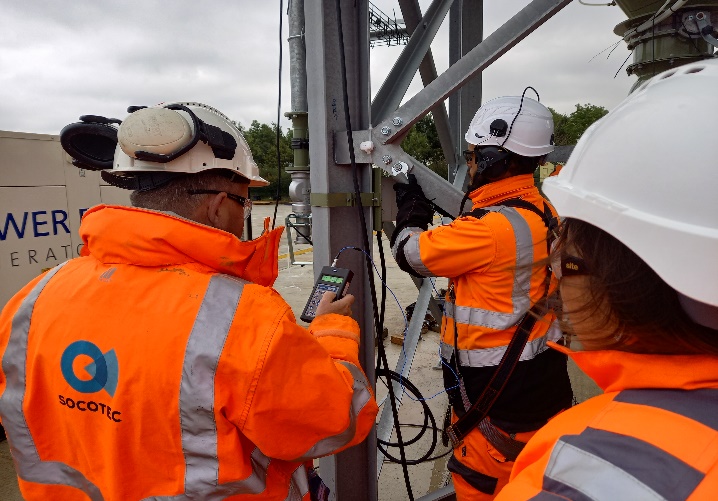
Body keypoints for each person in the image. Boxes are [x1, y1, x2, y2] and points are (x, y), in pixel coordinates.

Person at [0, 102, 378, 501]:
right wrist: (332, 331)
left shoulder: (35, 296)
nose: (243, 215)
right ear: (217, 205)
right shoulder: (243, 319)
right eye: (244, 203)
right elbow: (334, 421)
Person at [496, 60, 718, 500]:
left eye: (570, 256)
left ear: (631, 281)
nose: (555, 272)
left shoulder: (590, 471)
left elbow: (415, 254)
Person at [391, 93, 573, 500]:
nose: (470, 164)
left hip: (497, 407)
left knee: (481, 488)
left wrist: (412, 211)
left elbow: (409, 253)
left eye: (474, 156)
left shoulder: (488, 230)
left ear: (493, 158)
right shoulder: (543, 210)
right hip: (542, 388)